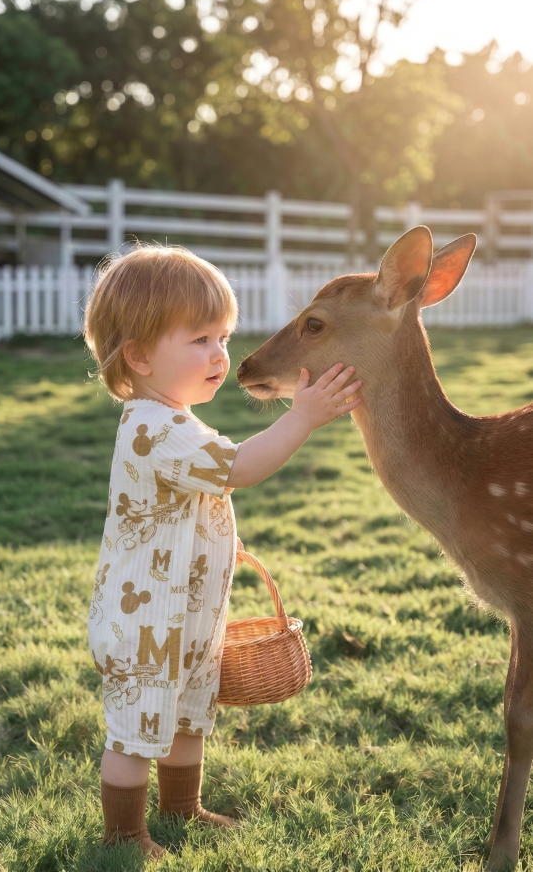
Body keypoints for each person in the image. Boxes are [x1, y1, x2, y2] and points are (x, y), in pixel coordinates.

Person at [83, 245, 362, 858]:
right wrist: (302, 418)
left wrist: (216, 545)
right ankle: (124, 836)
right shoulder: (154, 427)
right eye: (200, 339)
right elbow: (240, 467)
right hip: (145, 620)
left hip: (186, 613)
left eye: (223, 337)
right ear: (139, 355)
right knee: (135, 734)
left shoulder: (177, 418)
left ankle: (183, 807)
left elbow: (195, 500)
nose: (220, 354)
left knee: (188, 715)